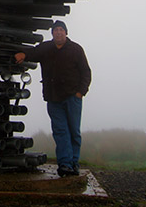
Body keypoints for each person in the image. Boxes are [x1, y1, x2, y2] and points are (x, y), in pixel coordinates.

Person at [14, 20, 91, 177]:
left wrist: (80, 92)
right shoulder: (47, 48)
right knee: (60, 131)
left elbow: (86, 72)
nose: (59, 32)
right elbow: (33, 52)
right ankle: (65, 165)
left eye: (61, 30)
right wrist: (22, 53)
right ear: (52, 33)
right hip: (53, 98)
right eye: (56, 30)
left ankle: (73, 163)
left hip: (72, 98)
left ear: (66, 33)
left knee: (73, 131)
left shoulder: (76, 49)